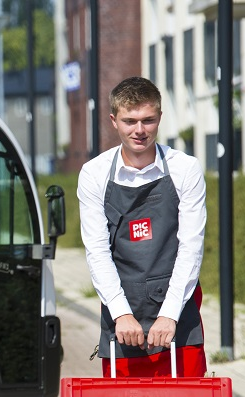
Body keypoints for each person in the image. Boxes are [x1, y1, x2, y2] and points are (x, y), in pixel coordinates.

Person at [77, 76, 207, 377]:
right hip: (122, 306)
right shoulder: (94, 174)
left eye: (148, 120)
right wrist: (121, 313)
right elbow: (97, 251)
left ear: (160, 118)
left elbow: (191, 247)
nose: (139, 130)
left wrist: (170, 314)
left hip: (178, 304)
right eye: (130, 121)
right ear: (114, 121)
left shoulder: (184, 169)